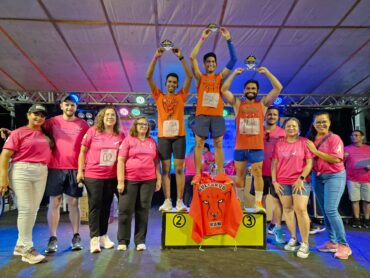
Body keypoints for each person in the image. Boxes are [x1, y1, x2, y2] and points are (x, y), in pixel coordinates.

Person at [220, 67, 283, 212]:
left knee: (257, 172)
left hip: (256, 147)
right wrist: (234, 74)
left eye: (253, 88)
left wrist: (267, 72)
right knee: (240, 176)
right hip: (240, 147)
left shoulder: (263, 104)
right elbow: (223, 89)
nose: (250, 90)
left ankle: (258, 203)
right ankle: (240, 204)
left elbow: (278, 87)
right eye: (248, 88)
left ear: (257, 91)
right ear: (244, 91)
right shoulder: (237, 104)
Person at [0, 104, 52, 264]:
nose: (39, 118)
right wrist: (3, 178)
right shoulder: (18, 132)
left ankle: (19, 245)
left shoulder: (46, 134)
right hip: (22, 170)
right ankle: (27, 249)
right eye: (35, 114)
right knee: (26, 209)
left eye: (42, 115)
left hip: (41, 171)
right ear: (28, 115)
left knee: (33, 209)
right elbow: (5, 154)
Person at [146, 46, 192, 212]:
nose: (172, 84)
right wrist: (155, 57)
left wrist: (181, 58)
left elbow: (190, 76)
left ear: (177, 85)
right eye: (169, 82)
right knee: (165, 169)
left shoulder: (181, 96)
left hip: (179, 136)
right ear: (165, 84)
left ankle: (179, 201)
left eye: (174, 82)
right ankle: (167, 201)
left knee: (179, 168)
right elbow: (148, 76)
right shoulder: (159, 96)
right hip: (164, 137)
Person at [189, 27, 237, 184]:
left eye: (213, 62)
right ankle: (197, 174)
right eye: (208, 61)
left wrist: (228, 39)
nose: (211, 63)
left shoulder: (220, 77)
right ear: (204, 64)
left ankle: (221, 174)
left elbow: (234, 60)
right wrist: (202, 38)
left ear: (216, 65)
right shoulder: (200, 77)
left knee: (218, 144)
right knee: (199, 144)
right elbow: (192, 57)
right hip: (202, 115)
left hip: (217, 115)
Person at [44, 95, 89, 254]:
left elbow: (88, 146)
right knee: (54, 202)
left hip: (75, 169)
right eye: (67, 105)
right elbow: (35, 129)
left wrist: (84, 169)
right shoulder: (52, 122)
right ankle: (52, 238)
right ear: (62, 106)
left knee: (73, 203)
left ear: (76, 107)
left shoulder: (83, 124)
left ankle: (76, 236)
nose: (70, 108)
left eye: (73, 105)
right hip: (55, 167)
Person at [77, 107, 125, 253]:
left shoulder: (120, 135)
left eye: (113, 115)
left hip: (111, 176)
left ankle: (103, 236)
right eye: (107, 114)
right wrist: (80, 171)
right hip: (93, 175)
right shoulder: (93, 131)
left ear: (116, 119)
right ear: (102, 117)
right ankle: (94, 239)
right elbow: (82, 152)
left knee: (106, 207)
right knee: (95, 206)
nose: (110, 117)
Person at [306, 111, 351, 260]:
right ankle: (332, 242)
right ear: (313, 124)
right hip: (317, 177)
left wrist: (315, 151)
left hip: (334, 176)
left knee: (331, 210)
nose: (321, 124)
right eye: (318, 122)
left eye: (324, 121)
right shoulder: (310, 139)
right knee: (325, 211)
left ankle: (344, 245)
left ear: (329, 123)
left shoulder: (335, 139)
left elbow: (336, 159)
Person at [117, 117, 161, 251]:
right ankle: (123, 241)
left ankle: (140, 241)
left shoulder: (152, 142)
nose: (143, 126)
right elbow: (121, 161)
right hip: (130, 180)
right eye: (140, 124)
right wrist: (120, 181)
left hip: (148, 180)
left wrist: (158, 179)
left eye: (145, 124)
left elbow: (155, 162)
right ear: (135, 126)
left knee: (143, 210)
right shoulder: (128, 140)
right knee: (125, 210)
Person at [271, 118, 313, 258]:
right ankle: (294, 238)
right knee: (287, 210)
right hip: (282, 182)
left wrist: (301, 178)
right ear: (284, 128)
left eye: (294, 126)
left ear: (298, 128)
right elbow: (274, 163)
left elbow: (309, 163)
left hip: (300, 181)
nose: (291, 128)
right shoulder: (279, 143)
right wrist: (275, 182)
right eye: (288, 126)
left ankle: (305, 244)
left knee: (301, 209)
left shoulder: (304, 142)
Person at [250, 107, 285, 242]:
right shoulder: (257, 130)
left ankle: (275, 227)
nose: (272, 116)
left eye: (275, 114)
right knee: (260, 200)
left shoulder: (283, 133)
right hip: (259, 171)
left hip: (277, 172)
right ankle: (261, 227)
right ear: (265, 116)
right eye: (269, 114)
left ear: (278, 117)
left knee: (278, 201)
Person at [344, 130, 370, 229]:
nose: (354, 137)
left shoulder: (368, 148)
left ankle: (367, 220)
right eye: (352, 135)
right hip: (352, 178)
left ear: (362, 137)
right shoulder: (346, 148)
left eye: (356, 135)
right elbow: (340, 162)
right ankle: (357, 219)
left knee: (367, 200)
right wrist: (343, 158)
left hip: (367, 178)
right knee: (355, 200)